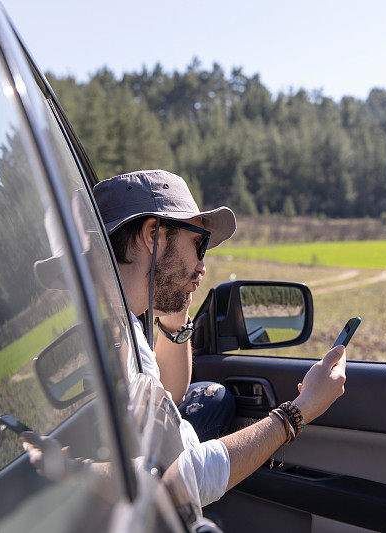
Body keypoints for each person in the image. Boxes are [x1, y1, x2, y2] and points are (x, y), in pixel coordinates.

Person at [90, 169, 347, 506]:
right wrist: (297, 412)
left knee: (212, 397)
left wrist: (174, 307)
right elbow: (182, 479)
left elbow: (170, 394)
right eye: (199, 244)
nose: (202, 267)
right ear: (154, 234)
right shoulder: (108, 336)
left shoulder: (126, 323)